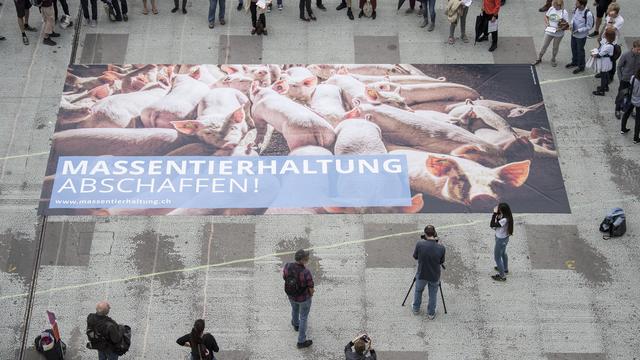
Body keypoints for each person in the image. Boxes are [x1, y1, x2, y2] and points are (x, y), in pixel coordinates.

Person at [282, 249, 314, 348]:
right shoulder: (305, 272)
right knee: (303, 317)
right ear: (303, 260)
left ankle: (296, 324)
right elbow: (311, 286)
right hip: (303, 298)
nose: (308, 258)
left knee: (294, 309)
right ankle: (301, 341)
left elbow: (284, 277)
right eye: (306, 257)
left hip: (291, 295)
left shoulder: (287, 266)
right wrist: (311, 295)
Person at [412, 225, 445, 319]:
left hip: (421, 273)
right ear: (434, 234)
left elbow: (415, 256)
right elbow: (441, 261)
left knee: (418, 291)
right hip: (434, 275)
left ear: (425, 234)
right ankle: (431, 313)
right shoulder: (441, 248)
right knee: (433, 294)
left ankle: (416, 309)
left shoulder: (419, 244)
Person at [532, 0, 569, 67]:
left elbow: (566, 25)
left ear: (559, 5)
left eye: (555, 5)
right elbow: (546, 16)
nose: (554, 7)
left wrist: (559, 29)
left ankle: (553, 59)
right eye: (553, 5)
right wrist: (547, 23)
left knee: (555, 47)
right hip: (549, 31)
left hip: (558, 33)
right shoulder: (552, 8)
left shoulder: (564, 13)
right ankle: (539, 58)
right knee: (544, 45)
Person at [566, 0, 594, 74]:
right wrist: (571, 24)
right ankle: (574, 62)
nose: (575, 4)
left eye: (577, 3)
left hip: (581, 36)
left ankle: (581, 66)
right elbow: (573, 18)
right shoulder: (576, 9)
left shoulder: (588, 14)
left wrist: (579, 30)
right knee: (573, 48)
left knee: (580, 51)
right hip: (574, 33)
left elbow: (589, 26)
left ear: (582, 5)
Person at [615, 41, 640, 119]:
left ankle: (630, 110)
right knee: (621, 95)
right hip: (625, 79)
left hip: (635, 81)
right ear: (634, 47)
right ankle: (617, 109)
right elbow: (619, 67)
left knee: (633, 96)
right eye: (638, 49)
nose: (639, 51)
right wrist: (620, 78)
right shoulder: (626, 55)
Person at [490, 203, 513, 281]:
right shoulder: (507, 216)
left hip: (500, 240)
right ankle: (505, 269)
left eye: (499, 209)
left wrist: (494, 214)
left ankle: (502, 276)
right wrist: (498, 214)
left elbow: (492, 224)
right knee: (503, 253)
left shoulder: (504, 220)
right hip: (504, 238)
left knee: (497, 258)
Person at [592, 27, 615, 96]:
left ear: (608, 36)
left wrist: (594, 54)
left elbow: (600, 54)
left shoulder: (608, 46)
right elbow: (601, 44)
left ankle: (602, 91)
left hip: (605, 62)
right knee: (606, 75)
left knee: (603, 76)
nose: (604, 34)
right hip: (605, 61)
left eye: (605, 33)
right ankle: (606, 87)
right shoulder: (607, 42)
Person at [620, 68, 640, 144]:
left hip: (631, 99)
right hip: (639, 102)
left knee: (626, 114)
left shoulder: (633, 78)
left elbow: (631, 85)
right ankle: (636, 138)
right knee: (638, 120)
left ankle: (623, 129)